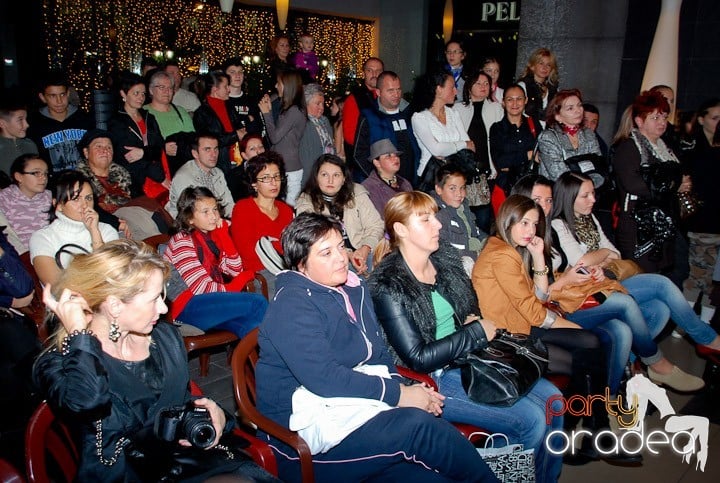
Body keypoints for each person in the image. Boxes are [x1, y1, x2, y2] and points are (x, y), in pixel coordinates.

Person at [255, 212, 498, 483]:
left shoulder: (352, 288)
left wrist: (406, 391)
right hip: (304, 439)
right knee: (418, 428)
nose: (340, 258)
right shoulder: (292, 306)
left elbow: (379, 353)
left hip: (353, 410)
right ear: (301, 266)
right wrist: (399, 395)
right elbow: (324, 378)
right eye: (325, 253)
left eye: (340, 246)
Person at [33, 239, 278, 482]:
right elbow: (87, 401)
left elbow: (177, 400)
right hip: (126, 473)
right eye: (154, 299)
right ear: (114, 305)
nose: (163, 309)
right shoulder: (60, 363)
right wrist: (78, 332)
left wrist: (216, 414)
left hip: (184, 459)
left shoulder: (164, 339)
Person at [368, 191, 562, 483]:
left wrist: (472, 319)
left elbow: (469, 304)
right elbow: (417, 358)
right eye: (426, 219)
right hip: (433, 378)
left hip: (468, 357)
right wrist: (473, 331)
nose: (438, 225)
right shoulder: (388, 285)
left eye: (435, 216)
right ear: (401, 230)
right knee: (531, 421)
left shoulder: (443, 257)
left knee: (554, 401)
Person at [472, 194, 641, 466]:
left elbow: (537, 296)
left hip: (522, 328)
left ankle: (590, 432)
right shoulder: (502, 254)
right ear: (508, 220)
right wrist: (568, 325)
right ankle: (592, 433)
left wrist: (539, 257)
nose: (530, 231)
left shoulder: (509, 248)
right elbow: (535, 311)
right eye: (524, 223)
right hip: (510, 338)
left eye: (534, 224)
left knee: (592, 348)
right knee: (590, 344)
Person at [551, 171, 718, 391]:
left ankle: (628, 363)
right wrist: (601, 254)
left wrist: (599, 260)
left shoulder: (589, 219)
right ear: (569, 197)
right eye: (586, 195)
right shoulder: (558, 224)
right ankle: (664, 358)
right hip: (583, 296)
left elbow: (615, 254)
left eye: (593, 193)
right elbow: (580, 261)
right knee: (658, 286)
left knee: (659, 308)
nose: (593, 199)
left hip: (604, 283)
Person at [163, 187, 267, 338]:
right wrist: (237, 284)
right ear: (189, 218)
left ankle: (260, 361)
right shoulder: (182, 240)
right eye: (205, 212)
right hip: (186, 309)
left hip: (208, 305)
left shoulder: (211, 237)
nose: (213, 216)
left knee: (251, 324)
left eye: (215, 209)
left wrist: (224, 235)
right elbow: (202, 288)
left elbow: (235, 270)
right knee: (257, 303)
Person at [611, 90, 689, 287]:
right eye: (654, 117)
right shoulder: (629, 147)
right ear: (639, 121)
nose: (661, 121)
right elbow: (633, 184)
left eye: (663, 116)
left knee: (665, 276)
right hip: (638, 225)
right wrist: (674, 186)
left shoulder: (665, 148)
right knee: (641, 279)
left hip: (663, 223)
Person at [296, 154, 383, 275]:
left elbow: (376, 225)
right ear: (316, 177)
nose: (330, 180)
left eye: (336, 175)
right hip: (331, 256)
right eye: (324, 175)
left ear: (344, 179)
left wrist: (365, 248)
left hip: (365, 250)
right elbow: (317, 238)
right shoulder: (306, 202)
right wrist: (347, 254)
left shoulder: (357, 193)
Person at [29, 171, 119, 286]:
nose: (85, 205)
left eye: (89, 198)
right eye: (76, 199)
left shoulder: (106, 230)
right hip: (69, 301)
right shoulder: (42, 238)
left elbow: (113, 274)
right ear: (59, 204)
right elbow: (56, 287)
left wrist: (94, 232)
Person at [75, 129, 167, 240]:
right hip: (106, 226)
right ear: (86, 152)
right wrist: (116, 222)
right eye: (98, 147)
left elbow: (139, 201)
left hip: (137, 220)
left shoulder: (125, 175)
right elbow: (86, 208)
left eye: (109, 147)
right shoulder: (78, 181)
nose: (105, 151)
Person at [230, 151, 293, 294]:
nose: (273, 182)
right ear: (254, 184)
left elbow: (292, 247)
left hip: (286, 269)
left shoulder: (286, 210)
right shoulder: (243, 208)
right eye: (266, 178)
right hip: (260, 273)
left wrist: (272, 245)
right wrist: (279, 249)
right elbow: (248, 253)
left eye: (277, 176)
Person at [453, 70, 504, 231]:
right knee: (461, 215)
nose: (483, 87)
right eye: (478, 83)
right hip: (463, 171)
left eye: (486, 84)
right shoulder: (456, 109)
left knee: (483, 219)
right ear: (469, 87)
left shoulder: (496, 108)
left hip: (487, 171)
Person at [107, 71, 168, 200]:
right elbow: (128, 157)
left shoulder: (149, 117)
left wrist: (143, 153)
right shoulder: (117, 122)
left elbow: (159, 147)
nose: (141, 97)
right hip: (132, 181)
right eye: (136, 93)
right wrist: (158, 175)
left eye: (143, 94)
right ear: (123, 94)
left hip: (156, 174)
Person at [354, 71, 419, 185]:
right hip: (381, 185)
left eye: (398, 89)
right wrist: (378, 180)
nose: (396, 94)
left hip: (410, 182)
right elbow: (359, 154)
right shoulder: (369, 116)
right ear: (378, 92)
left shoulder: (410, 113)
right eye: (390, 91)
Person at [685, 99, 720, 299]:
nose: (718, 122)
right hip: (702, 222)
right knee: (698, 276)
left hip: (713, 221)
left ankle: (703, 323)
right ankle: (685, 326)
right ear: (701, 119)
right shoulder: (692, 150)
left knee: (712, 280)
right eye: (715, 118)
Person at [411, 71, 474, 181]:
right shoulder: (420, 118)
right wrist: (462, 144)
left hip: (455, 177)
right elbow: (437, 150)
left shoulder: (454, 114)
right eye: (452, 87)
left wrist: (446, 147)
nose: (456, 91)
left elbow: (470, 148)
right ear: (439, 89)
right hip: (431, 178)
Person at [26, 72, 92, 172]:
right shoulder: (34, 124)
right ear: (43, 97)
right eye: (52, 96)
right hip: (51, 183)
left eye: (62, 94)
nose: (59, 101)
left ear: (68, 93)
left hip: (83, 179)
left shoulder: (84, 119)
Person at [258, 70, 306, 206]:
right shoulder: (288, 108)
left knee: (289, 208)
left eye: (278, 83)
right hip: (283, 166)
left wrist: (266, 113)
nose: (275, 86)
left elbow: (274, 137)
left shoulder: (294, 111)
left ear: (287, 86)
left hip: (290, 169)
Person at [537, 89, 602, 185]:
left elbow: (598, 165)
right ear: (558, 116)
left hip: (587, 192)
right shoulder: (548, 137)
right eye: (570, 108)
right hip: (558, 192)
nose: (578, 111)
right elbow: (558, 174)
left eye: (579, 105)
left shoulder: (589, 134)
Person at [166, 133, 234, 218]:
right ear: (195, 154)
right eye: (207, 149)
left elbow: (229, 205)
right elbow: (191, 217)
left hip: (216, 221)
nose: (214, 154)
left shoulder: (218, 172)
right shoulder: (184, 177)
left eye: (216, 149)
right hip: (190, 226)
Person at [433, 164, 486, 273]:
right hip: (456, 266)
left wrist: (488, 242)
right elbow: (444, 251)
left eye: (462, 188)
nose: (459, 194)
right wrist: (476, 255)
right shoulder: (439, 215)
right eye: (452, 188)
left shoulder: (463, 208)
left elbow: (475, 231)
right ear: (439, 189)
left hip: (475, 255)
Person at [490, 84, 541, 194]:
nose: (515, 103)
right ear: (503, 102)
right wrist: (529, 155)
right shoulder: (497, 128)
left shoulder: (534, 124)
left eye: (519, 99)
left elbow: (542, 155)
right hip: (507, 188)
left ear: (526, 100)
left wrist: (511, 163)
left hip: (533, 186)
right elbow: (500, 162)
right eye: (510, 99)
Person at [193, 71, 245, 176]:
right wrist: (235, 136)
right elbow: (209, 141)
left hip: (237, 160)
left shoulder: (229, 107)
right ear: (215, 90)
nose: (228, 90)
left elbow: (238, 125)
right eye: (225, 87)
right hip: (219, 163)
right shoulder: (202, 113)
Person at [144, 70, 195, 174]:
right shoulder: (143, 113)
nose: (167, 91)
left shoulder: (180, 111)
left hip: (183, 168)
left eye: (170, 88)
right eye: (162, 87)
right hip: (157, 170)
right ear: (151, 90)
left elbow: (192, 139)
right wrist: (162, 148)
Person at [342, 57, 384, 180]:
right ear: (364, 73)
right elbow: (350, 136)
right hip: (362, 164)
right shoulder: (354, 98)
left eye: (378, 71)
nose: (374, 74)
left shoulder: (386, 96)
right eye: (370, 70)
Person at [0, 154, 52, 252]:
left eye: (45, 173)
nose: (44, 178)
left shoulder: (50, 197)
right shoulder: (4, 199)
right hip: (20, 257)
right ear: (19, 176)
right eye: (36, 173)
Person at [361, 139, 413, 218]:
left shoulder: (405, 183)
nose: (395, 158)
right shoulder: (369, 188)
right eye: (388, 156)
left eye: (396, 155)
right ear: (377, 162)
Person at [299, 83, 335, 186]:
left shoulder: (325, 121)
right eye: (318, 104)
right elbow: (306, 157)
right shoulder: (303, 123)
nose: (322, 108)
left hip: (328, 172)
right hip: (312, 175)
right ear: (306, 104)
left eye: (323, 104)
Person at [517, 48, 559, 126]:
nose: (545, 67)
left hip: (548, 133)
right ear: (532, 66)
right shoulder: (522, 86)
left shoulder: (554, 90)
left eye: (548, 65)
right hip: (527, 130)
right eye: (541, 63)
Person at [0, 97, 38, 176]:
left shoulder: (30, 144)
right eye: (20, 120)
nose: (27, 125)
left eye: (26, 119)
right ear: (2, 123)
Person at [224, 58, 262, 135]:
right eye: (232, 72)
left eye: (240, 72)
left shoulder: (253, 101)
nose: (237, 75)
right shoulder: (222, 102)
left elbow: (259, 128)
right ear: (225, 76)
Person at [227, 133, 266, 200]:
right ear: (244, 155)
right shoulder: (234, 176)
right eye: (252, 149)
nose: (259, 151)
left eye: (261, 147)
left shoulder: (272, 169)